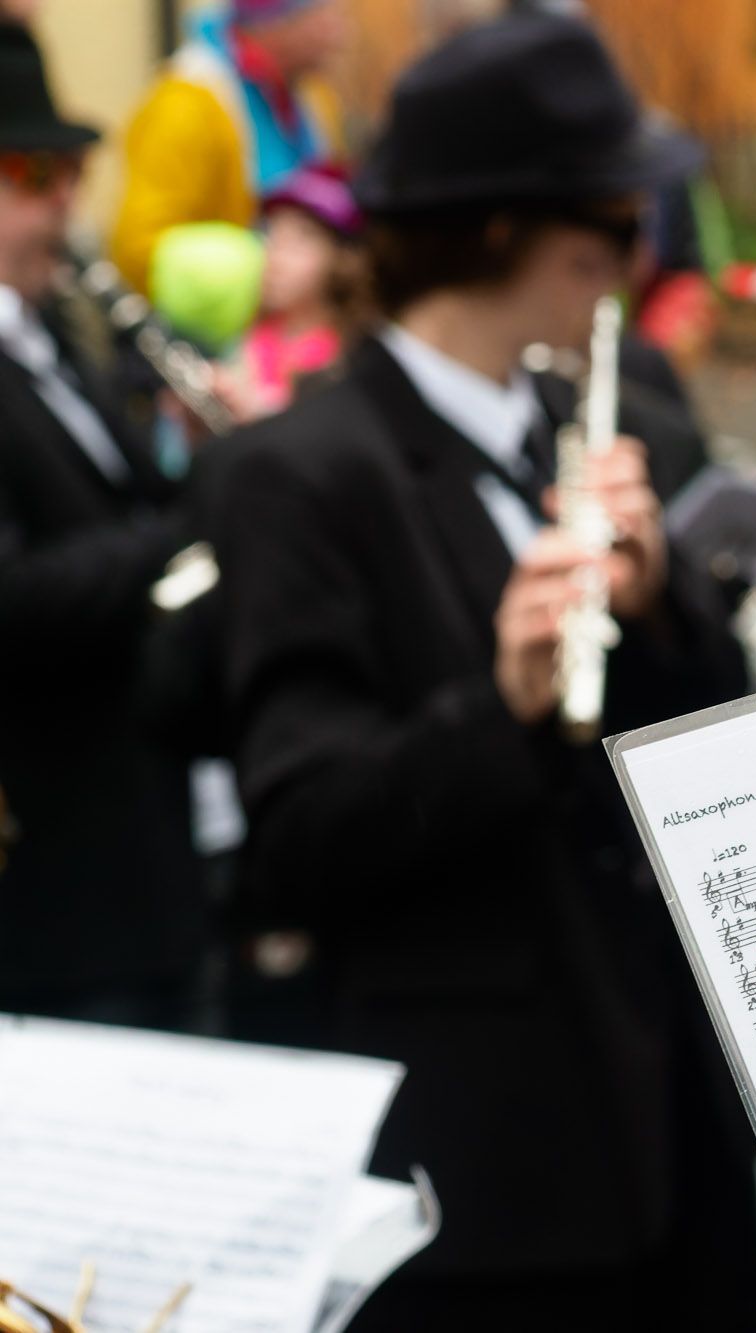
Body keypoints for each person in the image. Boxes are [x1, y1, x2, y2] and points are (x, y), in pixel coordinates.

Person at [209, 15, 751, 1322]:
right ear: (501, 231)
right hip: (489, 1163)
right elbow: (298, 834)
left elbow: (718, 730)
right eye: (608, 223)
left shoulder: (586, 419)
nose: (637, 253)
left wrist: (660, 606)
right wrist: (500, 709)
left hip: (663, 1106)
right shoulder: (300, 470)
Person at [0, 22, 209, 1029]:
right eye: (32, 175)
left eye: (73, 175)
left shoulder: (50, 330)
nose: (64, 204)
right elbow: (15, 595)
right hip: (52, 878)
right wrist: (189, 527)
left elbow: (126, 504)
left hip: (140, 838)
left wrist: (204, 459)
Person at [111, 0, 346, 291]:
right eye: (322, 14)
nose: (338, 32)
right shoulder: (186, 106)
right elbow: (140, 249)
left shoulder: (312, 97)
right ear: (275, 23)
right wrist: (257, 275)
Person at [231, 162, 361, 414]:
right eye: (271, 235)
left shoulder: (346, 356)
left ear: (343, 258)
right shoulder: (252, 327)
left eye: (301, 240)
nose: (275, 258)